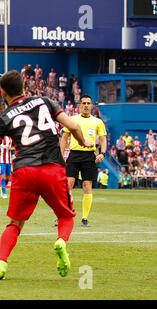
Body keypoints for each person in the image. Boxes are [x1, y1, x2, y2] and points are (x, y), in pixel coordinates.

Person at [0, 70, 93, 280]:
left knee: (15, 223)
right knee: (65, 215)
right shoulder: (44, 101)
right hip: (52, 169)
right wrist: (83, 142)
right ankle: (61, 241)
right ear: (25, 87)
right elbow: (72, 125)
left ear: (3, 93)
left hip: (24, 171)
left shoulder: (3, 117)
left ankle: (1, 263)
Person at [59, 94, 107, 227]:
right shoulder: (72, 119)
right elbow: (64, 138)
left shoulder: (98, 122)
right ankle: (63, 214)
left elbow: (103, 139)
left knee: (87, 186)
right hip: (74, 155)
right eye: (83, 103)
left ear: (92, 106)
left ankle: (85, 218)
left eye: (88, 103)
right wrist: (61, 156)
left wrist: (102, 153)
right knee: (69, 184)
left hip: (89, 156)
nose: (86, 105)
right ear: (79, 105)